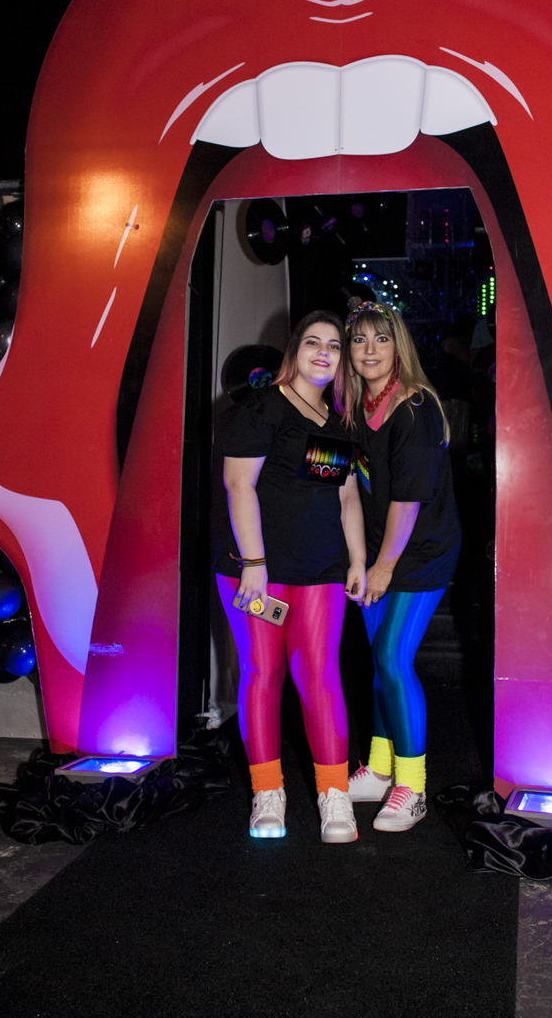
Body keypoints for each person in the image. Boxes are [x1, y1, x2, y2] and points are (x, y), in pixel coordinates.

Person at [215, 311, 366, 843]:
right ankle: (267, 794)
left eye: (333, 346)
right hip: (258, 571)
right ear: (293, 351)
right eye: (312, 343)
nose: (324, 353)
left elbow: (343, 496)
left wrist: (358, 560)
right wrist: (254, 566)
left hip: (321, 568)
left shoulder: (335, 420)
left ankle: (334, 796)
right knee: (262, 674)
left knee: (321, 675)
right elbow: (240, 487)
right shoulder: (262, 407)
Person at [344, 301, 461, 832]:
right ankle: (380, 768)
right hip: (372, 553)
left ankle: (412, 787)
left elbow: (406, 503)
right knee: (378, 659)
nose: (370, 351)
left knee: (392, 657)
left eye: (381, 340)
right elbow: (331, 483)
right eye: (360, 340)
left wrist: (383, 565)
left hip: (418, 552)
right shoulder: (343, 408)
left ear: (399, 348)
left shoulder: (414, 408)